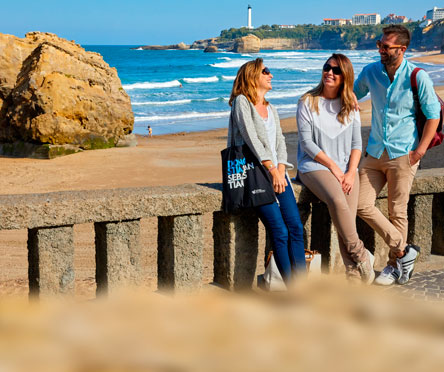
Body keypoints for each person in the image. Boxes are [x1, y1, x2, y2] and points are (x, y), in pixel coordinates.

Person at [354, 25, 441, 285]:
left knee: (397, 212)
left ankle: (394, 265)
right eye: (380, 44)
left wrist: (420, 151)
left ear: (402, 49)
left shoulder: (417, 76)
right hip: (374, 152)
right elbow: (353, 93)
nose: (380, 49)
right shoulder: (371, 71)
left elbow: (433, 115)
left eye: (386, 46)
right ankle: (405, 251)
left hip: (404, 153)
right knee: (360, 204)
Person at [296, 53, 375, 284]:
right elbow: (307, 143)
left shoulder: (349, 104)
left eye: (336, 70)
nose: (329, 72)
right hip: (313, 166)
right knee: (338, 202)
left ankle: (353, 276)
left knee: (346, 219)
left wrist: (351, 172)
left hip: (346, 169)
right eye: (327, 67)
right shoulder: (307, 102)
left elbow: (357, 145)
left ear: (345, 76)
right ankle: (362, 255)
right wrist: (335, 169)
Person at [228, 58, 306, 284]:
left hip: (278, 175)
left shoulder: (272, 108)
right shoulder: (242, 102)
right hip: (257, 177)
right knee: (279, 232)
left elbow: (280, 140)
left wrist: (281, 169)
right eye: (266, 71)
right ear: (253, 76)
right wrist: (272, 170)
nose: (271, 75)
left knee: (296, 228)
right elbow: (252, 139)